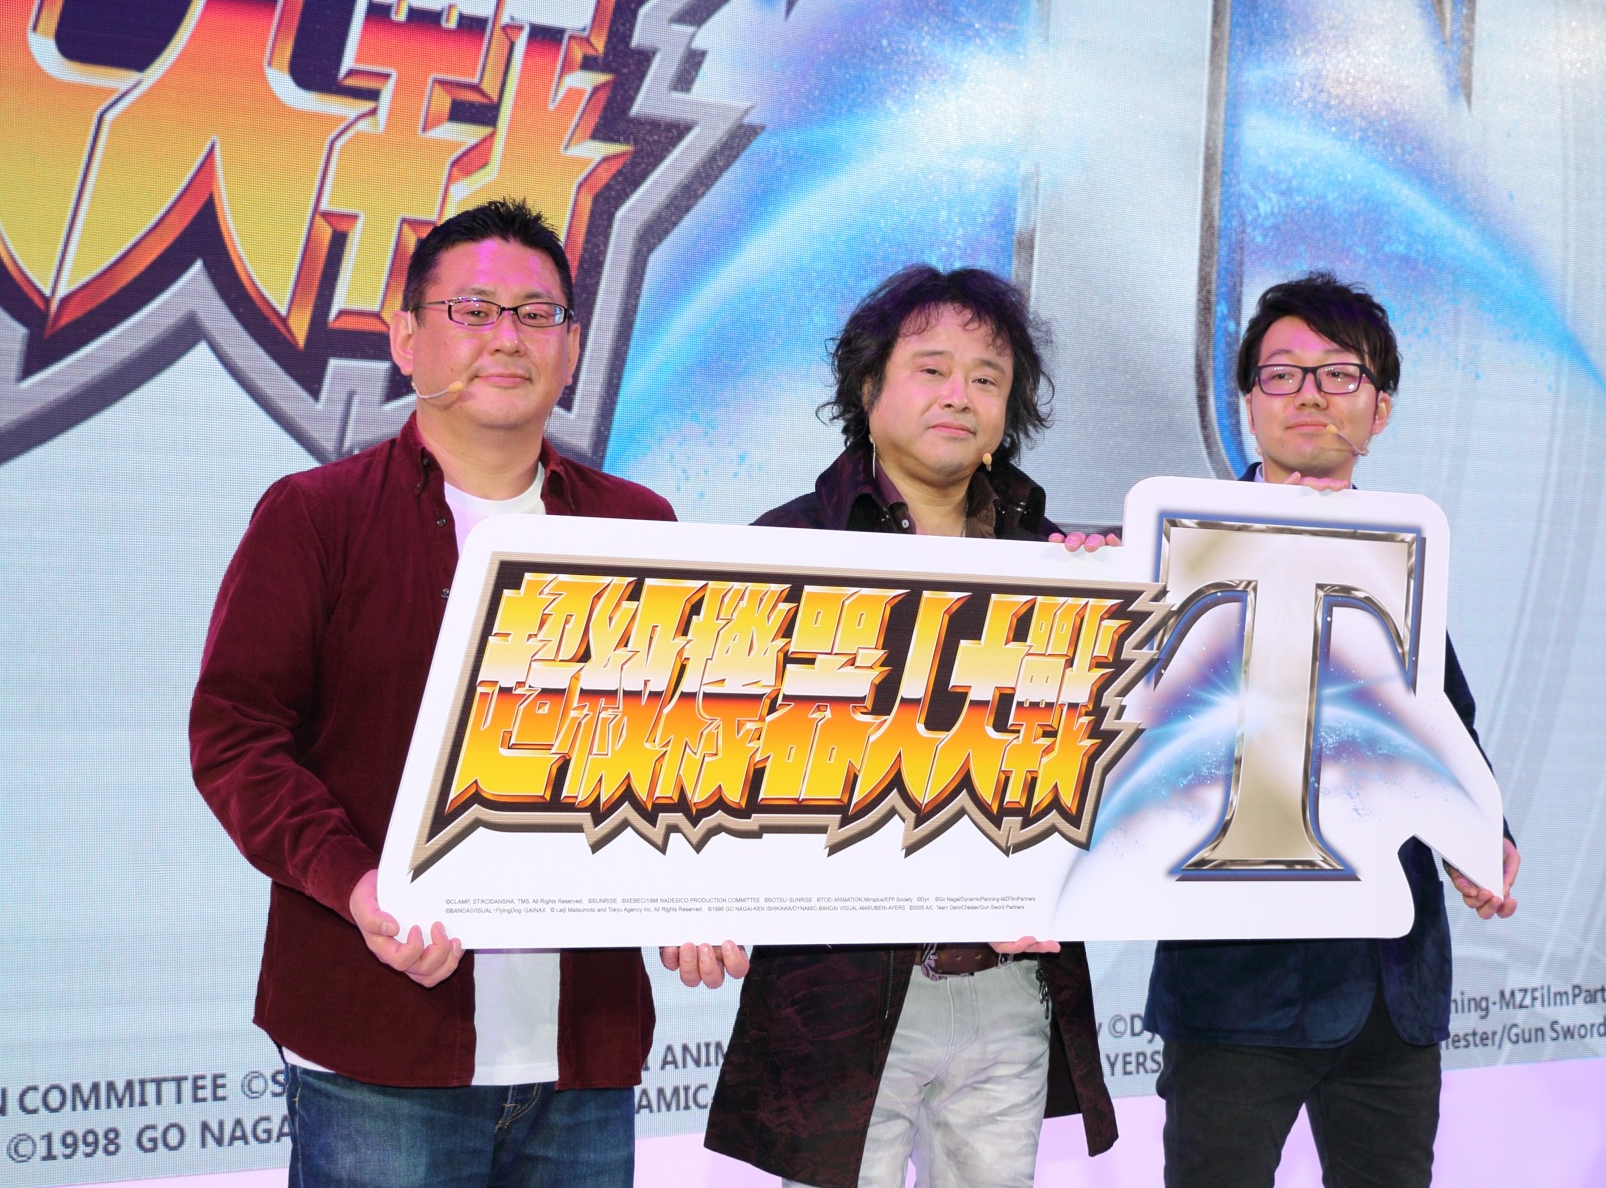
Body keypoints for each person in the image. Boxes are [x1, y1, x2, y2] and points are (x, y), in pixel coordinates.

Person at [188, 197, 738, 1188]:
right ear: (406, 339)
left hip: (583, 1052)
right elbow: (238, 740)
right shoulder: (315, 517)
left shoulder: (636, 527)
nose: (507, 338)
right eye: (473, 311)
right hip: (378, 1044)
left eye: (536, 315)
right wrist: (358, 885)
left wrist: (693, 889)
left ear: (572, 349)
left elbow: (680, 748)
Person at [701, 266, 1119, 1188]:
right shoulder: (781, 549)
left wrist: (1110, 622)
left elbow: (1106, 772)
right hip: (837, 989)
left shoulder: (1060, 563)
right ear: (868, 387)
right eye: (931, 368)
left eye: (987, 377)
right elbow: (714, 761)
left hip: (1009, 988)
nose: (959, 394)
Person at [1145, 271, 1521, 1188]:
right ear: (1247, 404)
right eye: (1281, 374)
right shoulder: (1175, 549)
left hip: (1392, 988)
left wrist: (1486, 839)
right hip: (1235, 989)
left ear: (1379, 408)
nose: (1309, 395)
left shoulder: (1407, 552)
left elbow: (1445, 732)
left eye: (1339, 374)